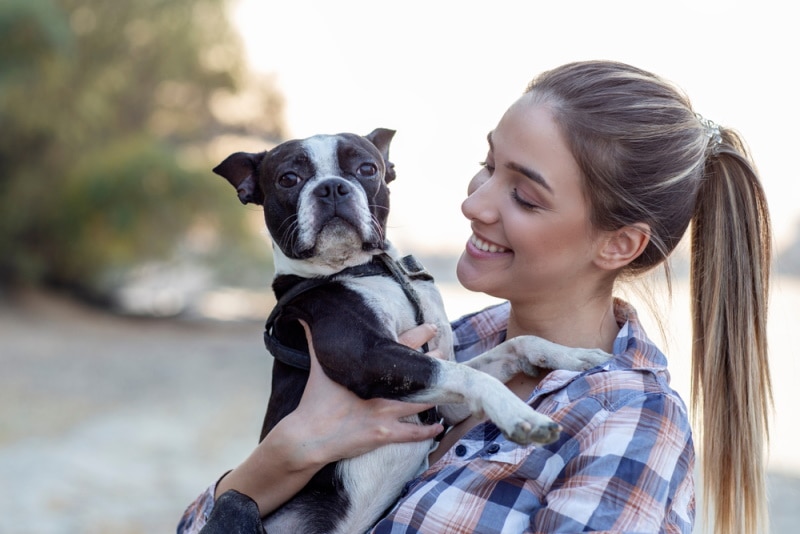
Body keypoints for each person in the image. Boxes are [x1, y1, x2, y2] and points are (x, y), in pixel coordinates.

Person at [178, 60, 771, 534]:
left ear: (619, 245)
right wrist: (277, 460)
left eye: (525, 196)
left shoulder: (626, 424)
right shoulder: (457, 338)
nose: (475, 204)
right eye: (486, 167)